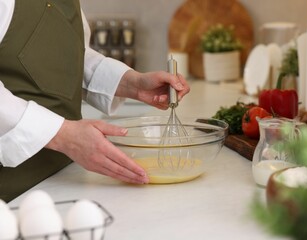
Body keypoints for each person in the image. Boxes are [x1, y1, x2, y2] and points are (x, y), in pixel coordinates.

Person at [0, 0, 190, 202]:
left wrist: (131, 83)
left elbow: (68, 53)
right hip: (11, 189)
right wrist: (63, 135)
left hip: (60, 178)